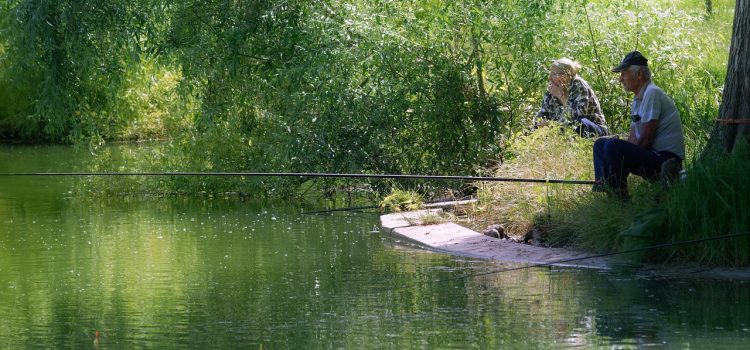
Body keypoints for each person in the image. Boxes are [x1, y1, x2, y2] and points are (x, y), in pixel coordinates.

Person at [592, 51, 685, 198]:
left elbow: (646, 139)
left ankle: (618, 196)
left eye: (624, 73)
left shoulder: (652, 93)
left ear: (639, 74)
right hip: (653, 155)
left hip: (666, 160)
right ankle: (605, 182)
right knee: (601, 144)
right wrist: (616, 162)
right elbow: (633, 138)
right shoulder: (638, 99)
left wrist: (620, 164)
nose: (620, 79)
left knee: (613, 146)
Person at [535, 58, 609, 137]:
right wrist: (541, 124)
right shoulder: (552, 89)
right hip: (563, 130)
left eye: (553, 74)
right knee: (533, 129)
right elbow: (541, 115)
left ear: (565, 75)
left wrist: (560, 96)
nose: (550, 78)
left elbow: (575, 117)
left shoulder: (579, 86)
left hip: (593, 130)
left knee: (580, 124)